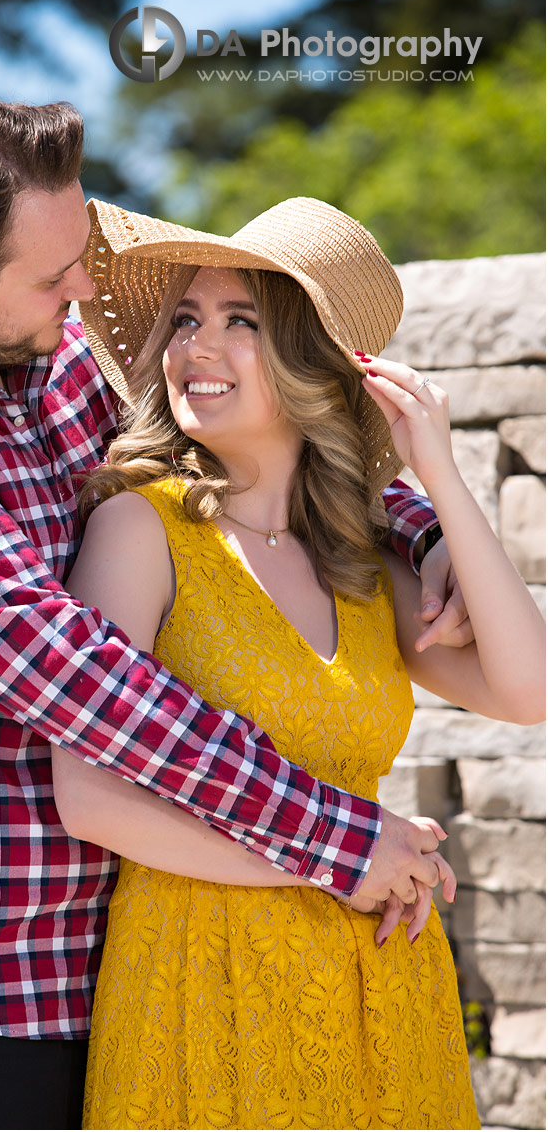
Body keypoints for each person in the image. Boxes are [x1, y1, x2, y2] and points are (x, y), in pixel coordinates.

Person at [0, 96, 466, 1131]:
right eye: (55, 275)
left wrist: (417, 530)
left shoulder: (42, 361)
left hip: (67, 963)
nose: (85, 289)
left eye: (82, 253)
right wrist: (340, 839)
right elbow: (91, 686)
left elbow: (240, 445)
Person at [53, 196, 545, 1130]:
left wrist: (436, 478)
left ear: (312, 363)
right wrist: (332, 861)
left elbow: (527, 690)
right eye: (186, 320)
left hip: (387, 985)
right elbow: (90, 798)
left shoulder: (356, 555)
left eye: (242, 322)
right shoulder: (137, 527)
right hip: (205, 981)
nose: (201, 345)